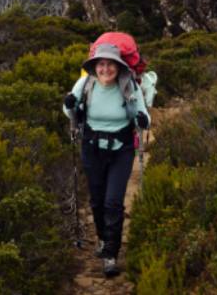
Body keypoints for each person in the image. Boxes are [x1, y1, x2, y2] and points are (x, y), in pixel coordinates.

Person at [63, 42, 150, 277]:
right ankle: (102, 239)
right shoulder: (86, 82)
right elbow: (69, 107)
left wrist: (142, 120)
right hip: (92, 148)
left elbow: (145, 116)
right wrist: (69, 105)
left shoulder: (128, 84)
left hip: (121, 150)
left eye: (110, 64)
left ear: (118, 66)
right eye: (101, 64)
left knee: (113, 202)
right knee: (97, 202)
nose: (105, 69)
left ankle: (111, 254)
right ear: (94, 66)